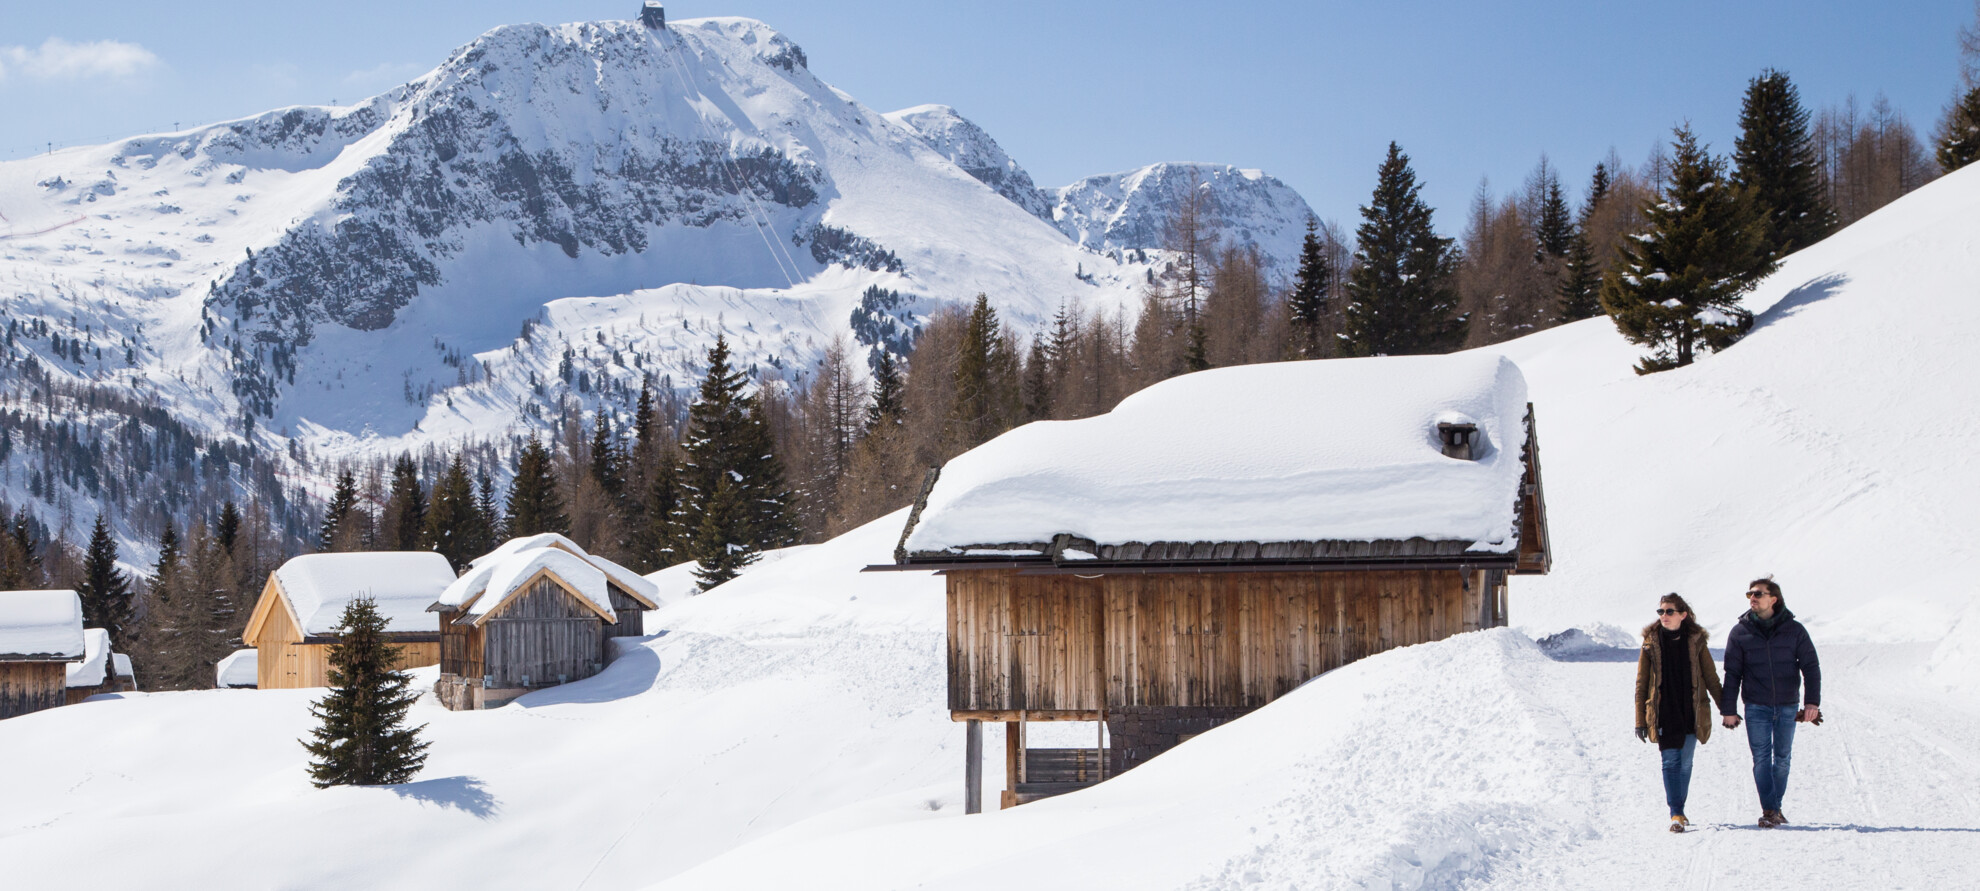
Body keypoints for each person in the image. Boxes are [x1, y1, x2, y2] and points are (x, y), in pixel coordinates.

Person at [1720, 577, 1822, 829]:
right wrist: (1728, 710)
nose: (1752, 598)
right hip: (1756, 706)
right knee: (1762, 759)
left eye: (1758, 594)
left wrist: (1812, 703)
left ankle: (1774, 808)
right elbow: (1732, 673)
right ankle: (1770, 810)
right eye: (1749, 594)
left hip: (1787, 705)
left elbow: (1811, 667)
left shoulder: (1795, 630)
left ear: (1773, 599)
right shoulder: (1740, 632)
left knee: (1783, 758)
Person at [1634, 593, 1726, 833]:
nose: (1664, 616)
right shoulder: (1650, 643)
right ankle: (1676, 812)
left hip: (1691, 710)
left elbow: (1711, 678)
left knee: (1685, 763)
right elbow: (1641, 684)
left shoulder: (1696, 641)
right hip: (1663, 712)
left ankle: (1680, 809)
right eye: (1661, 612)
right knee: (1670, 761)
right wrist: (1639, 720)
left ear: (1683, 615)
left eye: (1669, 611)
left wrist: (1727, 709)